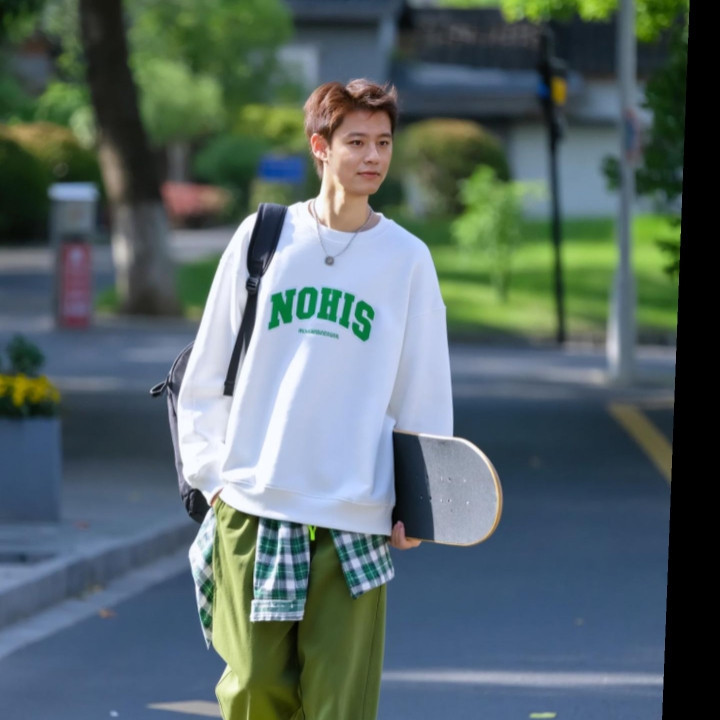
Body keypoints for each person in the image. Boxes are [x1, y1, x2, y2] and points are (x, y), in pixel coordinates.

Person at [177, 78, 454, 720]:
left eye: (383, 142)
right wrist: (214, 479)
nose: (373, 156)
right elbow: (209, 365)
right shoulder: (264, 237)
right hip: (254, 502)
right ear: (320, 147)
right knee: (252, 692)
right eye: (356, 141)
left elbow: (423, 387)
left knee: (339, 706)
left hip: (355, 513)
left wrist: (420, 505)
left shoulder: (407, 259)